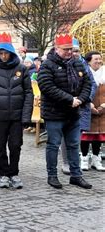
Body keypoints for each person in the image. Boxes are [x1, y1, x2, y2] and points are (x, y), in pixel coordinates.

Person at [37, 34, 93, 189]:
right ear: (56, 49)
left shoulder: (78, 64)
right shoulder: (47, 65)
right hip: (54, 113)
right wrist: (70, 99)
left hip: (73, 113)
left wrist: (80, 99)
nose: (69, 52)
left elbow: (87, 83)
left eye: (71, 49)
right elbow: (47, 87)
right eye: (66, 49)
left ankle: (76, 175)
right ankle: (52, 176)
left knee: (74, 144)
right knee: (53, 145)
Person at [0, 33, 33, 189]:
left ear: (11, 53)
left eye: (6, 53)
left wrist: (26, 116)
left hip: (17, 116)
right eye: (1, 53)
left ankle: (14, 173)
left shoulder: (22, 69)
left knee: (15, 145)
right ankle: (3, 174)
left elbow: (28, 93)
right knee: (0, 146)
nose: (3, 56)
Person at [61, 39, 96, 174]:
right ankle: (65, 162)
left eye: (76, 51)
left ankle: (74, 162)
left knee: (76, 138)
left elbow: (92, 84)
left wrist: (84, 98)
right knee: (65, 135)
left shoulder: (84, 65)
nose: (74, 53)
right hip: (67, 105)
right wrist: (70, 99)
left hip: (82, 106)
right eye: (71, 50)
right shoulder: (62, 64)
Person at [80, 51, 104, 171]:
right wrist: (88, 103)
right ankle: (84, 158)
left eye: (100, 59)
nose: (99, 61)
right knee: (86, 136)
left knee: (98, 136)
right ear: (89, 61)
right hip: (87, 108)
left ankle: (96, 159)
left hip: (103, 109)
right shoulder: (84, 73)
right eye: (96, 59)